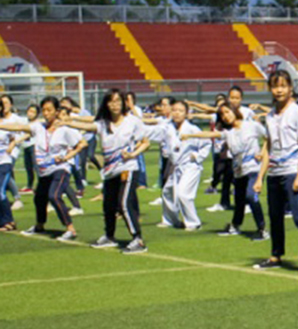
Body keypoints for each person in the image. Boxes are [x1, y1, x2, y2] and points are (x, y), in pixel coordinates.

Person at [253, 70, 298, 277]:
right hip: (275, 173)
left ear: (290, 88)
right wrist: (260, 177)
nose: (279, 90)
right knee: (275, 217)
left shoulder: (297, 112)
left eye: (283, 86)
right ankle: (276, 256)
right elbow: (268, 147)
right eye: (276, 86)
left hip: (293, 171)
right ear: (270, 88)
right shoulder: (269, 115)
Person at [65, 89, 149, 253]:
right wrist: (67, 123)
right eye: (111, 101)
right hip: (110, 171)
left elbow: (145, 143)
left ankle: (137, 239)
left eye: (118, 101)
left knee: (124, 203)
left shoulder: (133, 121)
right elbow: (89, 126)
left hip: (127, 168)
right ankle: (109, 236)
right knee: (108, 205)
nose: (115, 105)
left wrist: (132, 154)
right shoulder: (103, 123)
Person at [1, 97, 86, 241]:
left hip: (60, 169)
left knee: (54, 196)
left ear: (57, 111)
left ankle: (70, 229)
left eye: (49, 110)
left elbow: (82, 143)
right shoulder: (38, 127)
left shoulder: (65, 130)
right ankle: (39, 225)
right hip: (44, 171)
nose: (46, 113)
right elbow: (18, 127)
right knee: (39, 198)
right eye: (44, 110)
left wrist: (67, 157)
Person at [182, 101, 269, 241]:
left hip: (253, 168)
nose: (225, 116)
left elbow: (268, 138)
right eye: (222, 114)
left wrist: (263, 152)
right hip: (239, 170)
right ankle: (235, 225)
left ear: (235, 111)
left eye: (228, 112)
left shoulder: (251, 126)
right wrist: (190, 136)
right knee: (239, 200)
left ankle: (262, 229)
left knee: (251, 196)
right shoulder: (228, 133)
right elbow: (210, 134)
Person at [156, 99, 209, 231]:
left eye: (181, 111)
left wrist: (197, 156)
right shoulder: (168, 128)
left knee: (184, 194)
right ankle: (171, 220)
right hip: (176, 166)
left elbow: (207, 143)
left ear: (186, 113)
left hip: (191, 166)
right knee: (167, 192)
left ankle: (193, 223)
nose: (177, 113)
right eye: (174, 110)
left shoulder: (192, 129)